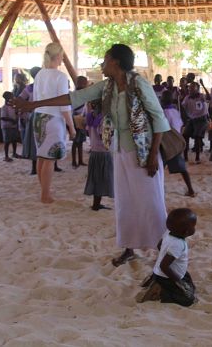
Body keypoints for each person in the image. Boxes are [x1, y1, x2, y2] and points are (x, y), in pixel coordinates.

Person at [14, 44, 170, 267]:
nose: (102, 64)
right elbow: (73, 98)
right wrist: (33, 104)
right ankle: (129, 248)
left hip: (143, 152)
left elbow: (159, 119)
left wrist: (153, 155)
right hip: (120, 150)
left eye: (105, 59)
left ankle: (164, 250)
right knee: (125, 201)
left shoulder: (138, 83)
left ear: (115, 62)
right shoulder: (107, 86)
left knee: (150, 201)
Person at [32, 43, 76, 203]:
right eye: (62, 56)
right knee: (50, 159)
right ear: (57, 56)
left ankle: (44, 191)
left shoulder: (40, 74)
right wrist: (71, 127)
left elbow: (35, 99)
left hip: (38, 117)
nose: (62, 59)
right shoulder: (60, 76)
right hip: (53, 119)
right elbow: (64, 105)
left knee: (42, 157)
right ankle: (45, 194)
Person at [137, 208, 198, 306]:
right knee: (187, 299)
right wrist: (178, 281)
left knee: (190, 285)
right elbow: (164, 266)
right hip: (167, 277)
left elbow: (159, 245)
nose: (195, 228)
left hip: (165, 272)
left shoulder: (168, 233)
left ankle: (155, 280)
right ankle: (160, 292)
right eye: (194, 226)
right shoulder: (178, 244)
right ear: (186, 232)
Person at [161, 91, 195, 197]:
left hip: (166, 143)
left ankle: (160, 189)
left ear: (162, 100)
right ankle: (191, 190)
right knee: (182, 169)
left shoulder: (163, 112)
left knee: (160, 168)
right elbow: (180, 125)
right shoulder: (176, 111)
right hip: (176, 142)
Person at [84, 99, 113, 211]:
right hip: (103, 153)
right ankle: (96, 205)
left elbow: (88, 132)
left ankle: (96, 203)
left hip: (94, 152)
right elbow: (104, 139)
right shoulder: (104, 119)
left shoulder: (90, 116)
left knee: (96, 178)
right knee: (102, 179)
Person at [181, 82, 208, 163]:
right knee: (185, 135)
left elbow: (209, 97)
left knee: (197, 136)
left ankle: (197, 157)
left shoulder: (201, 96)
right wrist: (186, 117)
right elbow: (183, 107)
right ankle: (185, 157)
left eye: (193, 88)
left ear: (197, 89)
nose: (190, 89)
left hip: (201, 119)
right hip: (192, 119)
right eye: (190, 88)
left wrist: (203, 85)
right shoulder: (187, 98)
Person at [71, 76, 89, 168]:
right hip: (76, 119)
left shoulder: (79, 93)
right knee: (76, 141)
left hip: (80, 118)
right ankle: (74, 161)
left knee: (80, 141)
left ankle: (80, 160)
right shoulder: (77, 94)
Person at [0, 91, 20, 162]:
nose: (13, 97)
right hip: (6, 126)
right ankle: (6, 156)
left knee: (14, 140)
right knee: (7, 142)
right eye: (11, 96)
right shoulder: (4, 107)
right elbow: (2, 117)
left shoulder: (12, 106)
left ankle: (14, 153)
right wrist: (12, 120)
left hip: (13, 126)